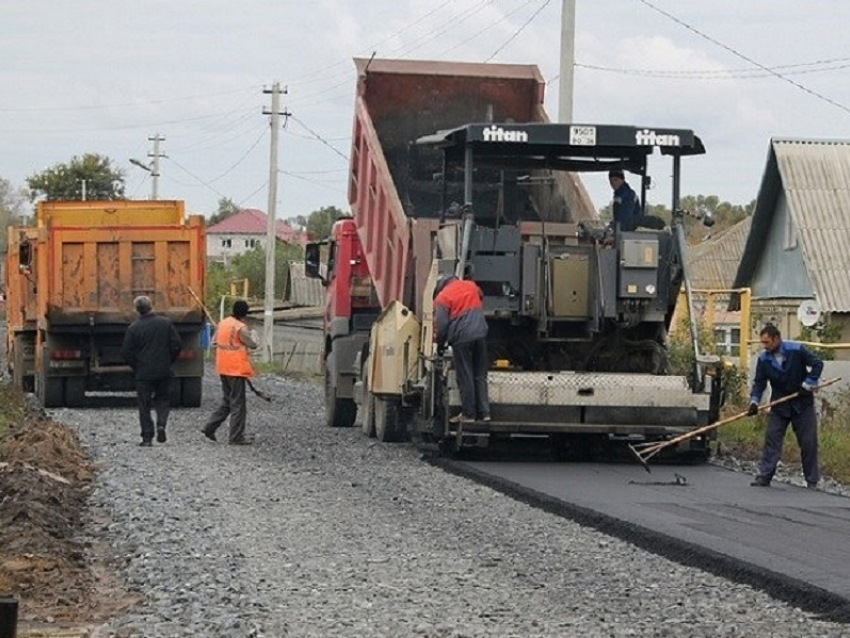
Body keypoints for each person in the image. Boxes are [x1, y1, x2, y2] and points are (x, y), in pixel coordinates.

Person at [747, 324, 824, 489]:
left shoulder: (796, 350)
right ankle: (764, 476)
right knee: (772, 438)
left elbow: (817, 364)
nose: (765, 346)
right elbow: (759, 383)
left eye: (767, 342)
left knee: (808, 442)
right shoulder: (764, 359)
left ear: (776, 339)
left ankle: (812, 480)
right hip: (780, 404)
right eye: (763, 343)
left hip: (802, 403)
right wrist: (754, 402)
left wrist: (808, 383)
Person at [121, 295, 183, 447]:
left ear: (137, 310)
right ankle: (161, 423)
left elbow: (126, 352)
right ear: (151, 306)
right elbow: (177, 344)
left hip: (143, 372)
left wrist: (137, 366)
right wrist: (169, 361)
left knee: (144, 404)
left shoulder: (133, 328)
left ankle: (147, 438)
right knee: (163, 399)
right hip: (164, 370)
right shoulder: (165, 323)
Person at [433, 275, 490, 424]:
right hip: (481, 334)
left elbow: (441, 325)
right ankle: (485, 413)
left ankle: (469, 414)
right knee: (479, 375)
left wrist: (440, 345)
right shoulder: (471, 286)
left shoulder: (442, 298)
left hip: (462, 338)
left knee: (465, 376)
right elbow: (481, 295)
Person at [202, 300, 259, 445]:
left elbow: (214, 343)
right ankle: (236, 437)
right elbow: (253, 344)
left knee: (227, 400)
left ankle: (210, 427)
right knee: (238, 405)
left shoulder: (223, 323)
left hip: (223, 367)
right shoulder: (240, 327)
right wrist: (254, 334)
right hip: (236, 369)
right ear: (245, 313)